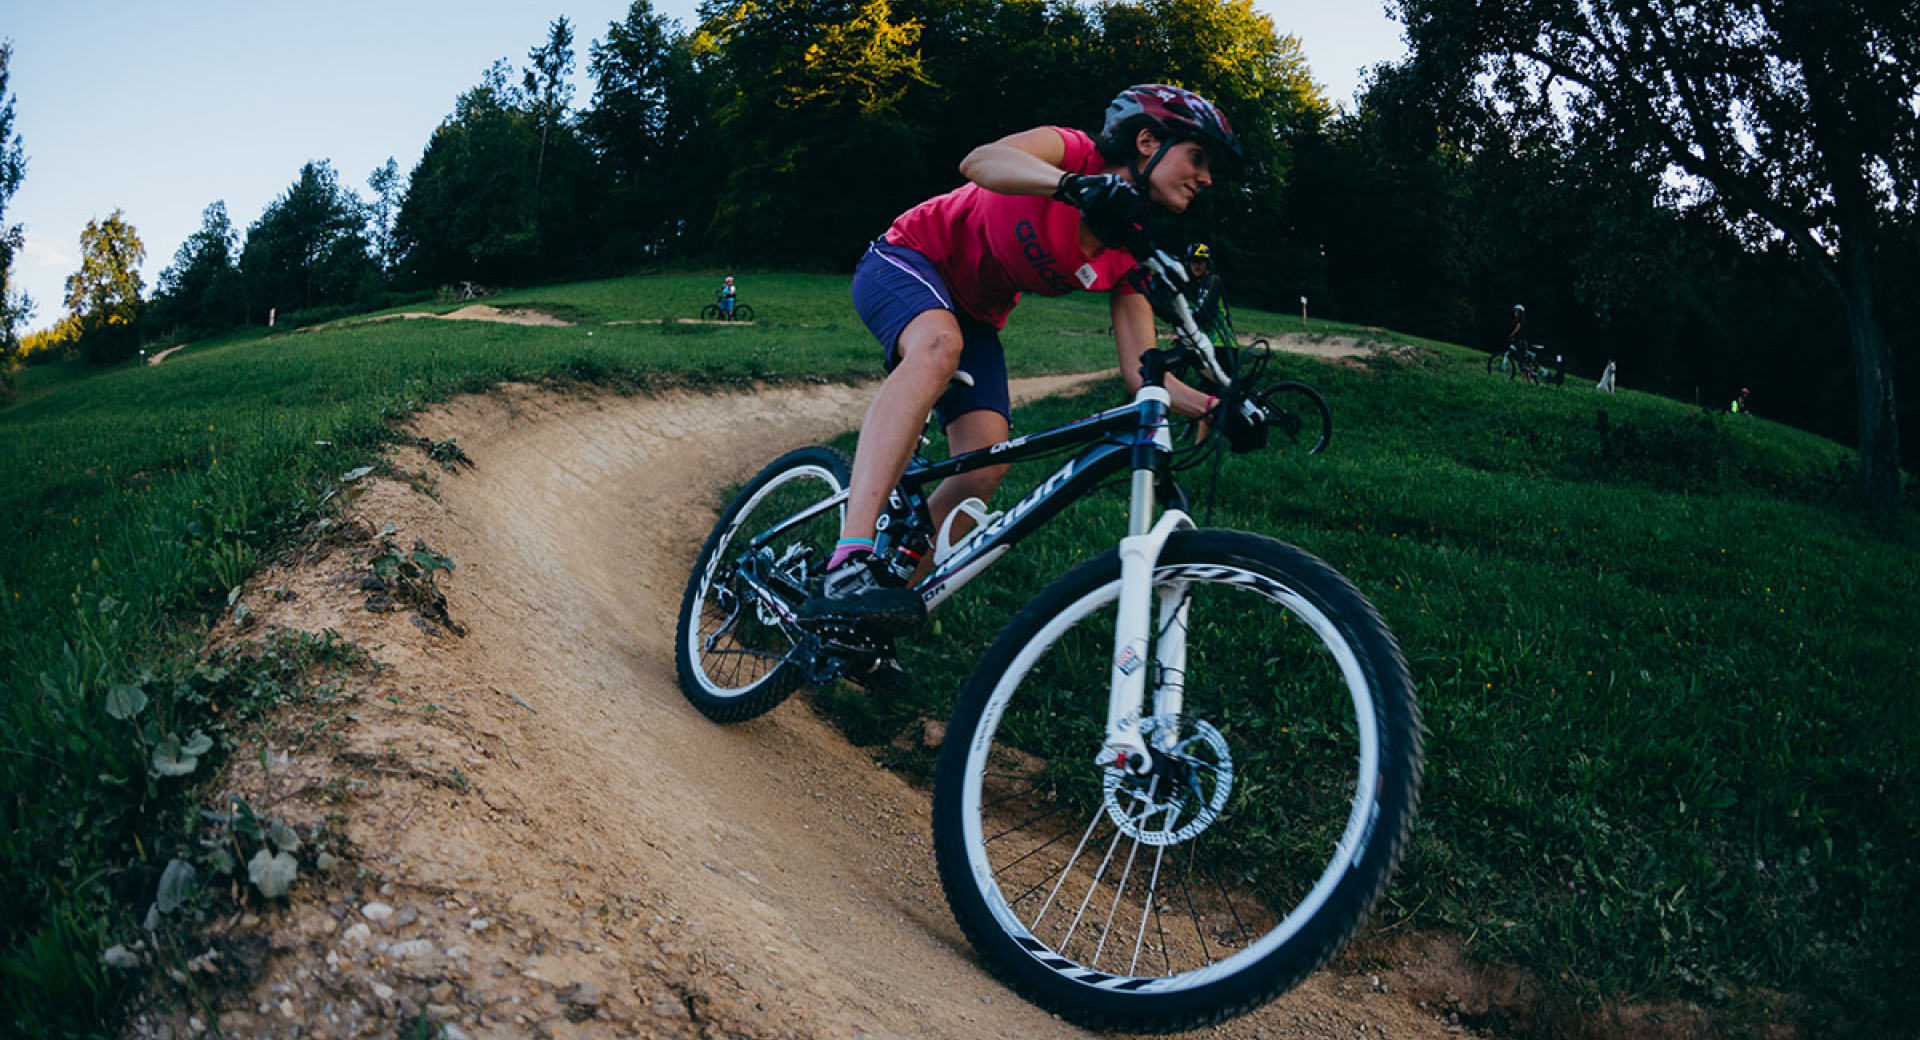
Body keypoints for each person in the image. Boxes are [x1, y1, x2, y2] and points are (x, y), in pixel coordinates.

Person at [797, 84, 1240, 675]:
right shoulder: (1073, 152)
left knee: (984, 464)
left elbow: (1143, 375)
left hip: (975, 319)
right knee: (936, 347)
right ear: (1147, 140)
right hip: (908, 257)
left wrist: (1211, 403)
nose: (1206, 178)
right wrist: (1072, 186)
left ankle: (864, 617)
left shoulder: (1128, 249)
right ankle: (849, 561)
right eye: (1199, 158)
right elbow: (980, 161)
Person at [1186, 242, 1229, 331]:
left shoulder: (1213, 281)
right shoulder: (1200, 285)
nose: (1196, 265)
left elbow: (1205, 312)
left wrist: (1186, 329)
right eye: (1193, 262)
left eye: (1200, 261)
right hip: (1205, 339)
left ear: (1207, 263)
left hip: (1220, 340)